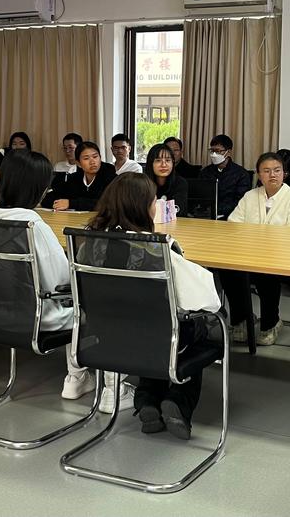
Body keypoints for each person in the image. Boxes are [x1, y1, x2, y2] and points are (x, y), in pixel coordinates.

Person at [86, 173, 221, 439]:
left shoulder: (88, 242)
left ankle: (146, 400)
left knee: (150, 326)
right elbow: (203, 299)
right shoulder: (158, 247)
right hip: (157, 339)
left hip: (105, 339)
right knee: (200, 327)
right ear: (143, 207)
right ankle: (178, 400)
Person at [0, 149, 96, 401]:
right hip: (38, 318)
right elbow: (61, 281)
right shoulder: (33, 226)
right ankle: (79, 378)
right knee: (93, 301)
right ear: (36, 189)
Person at [223, 152, 290, 345]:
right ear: (259, 175)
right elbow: (233, 224)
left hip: (280, 257)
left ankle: (271, 323)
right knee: (228, 269)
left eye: (277, 170)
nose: (272, 175)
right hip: (248, 254)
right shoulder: (250, 196)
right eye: (266, 171)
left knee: (266, 273)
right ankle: (242, 319)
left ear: (284, 173)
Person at [42, 141, 116, 211]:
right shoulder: (75, 178)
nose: (92, 162)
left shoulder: (111, 177)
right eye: (86, 158)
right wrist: (58, 204)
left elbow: (108, 203)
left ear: (100, 157)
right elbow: (48, 198)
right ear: (78, 163)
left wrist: (71, 204)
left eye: (95, 157)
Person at [199, 134, 250, 219]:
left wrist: (219, 211)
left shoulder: (241, 174)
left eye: (218, 151)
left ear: (228, 152)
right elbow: (200, 196)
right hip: (207, 216)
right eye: (212, 151)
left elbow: (241, 201)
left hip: (231, 217)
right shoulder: (205, 172)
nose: (214, 154)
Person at [144, 143, 188, 217]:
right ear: (150, 163)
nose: (164, 165)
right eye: (158, 160)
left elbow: (177, 210)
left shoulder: (180, 183)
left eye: (168, 160)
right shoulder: (143, 183)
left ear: (172, 163)